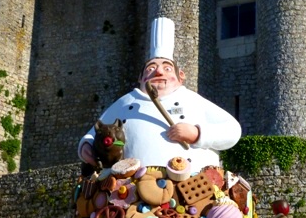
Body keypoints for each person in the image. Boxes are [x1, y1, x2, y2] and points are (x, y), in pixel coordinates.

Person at [78, 17, 241, 174]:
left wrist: (197, 134)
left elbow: (232, 131)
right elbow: (95, 133)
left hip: (192, 187)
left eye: (167, 68)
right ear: (141, 78)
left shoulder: (193, 100)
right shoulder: (125, 102)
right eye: (150, 69)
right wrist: (86, 146)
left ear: (181, 76)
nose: (159, 71)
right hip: (129, 191)